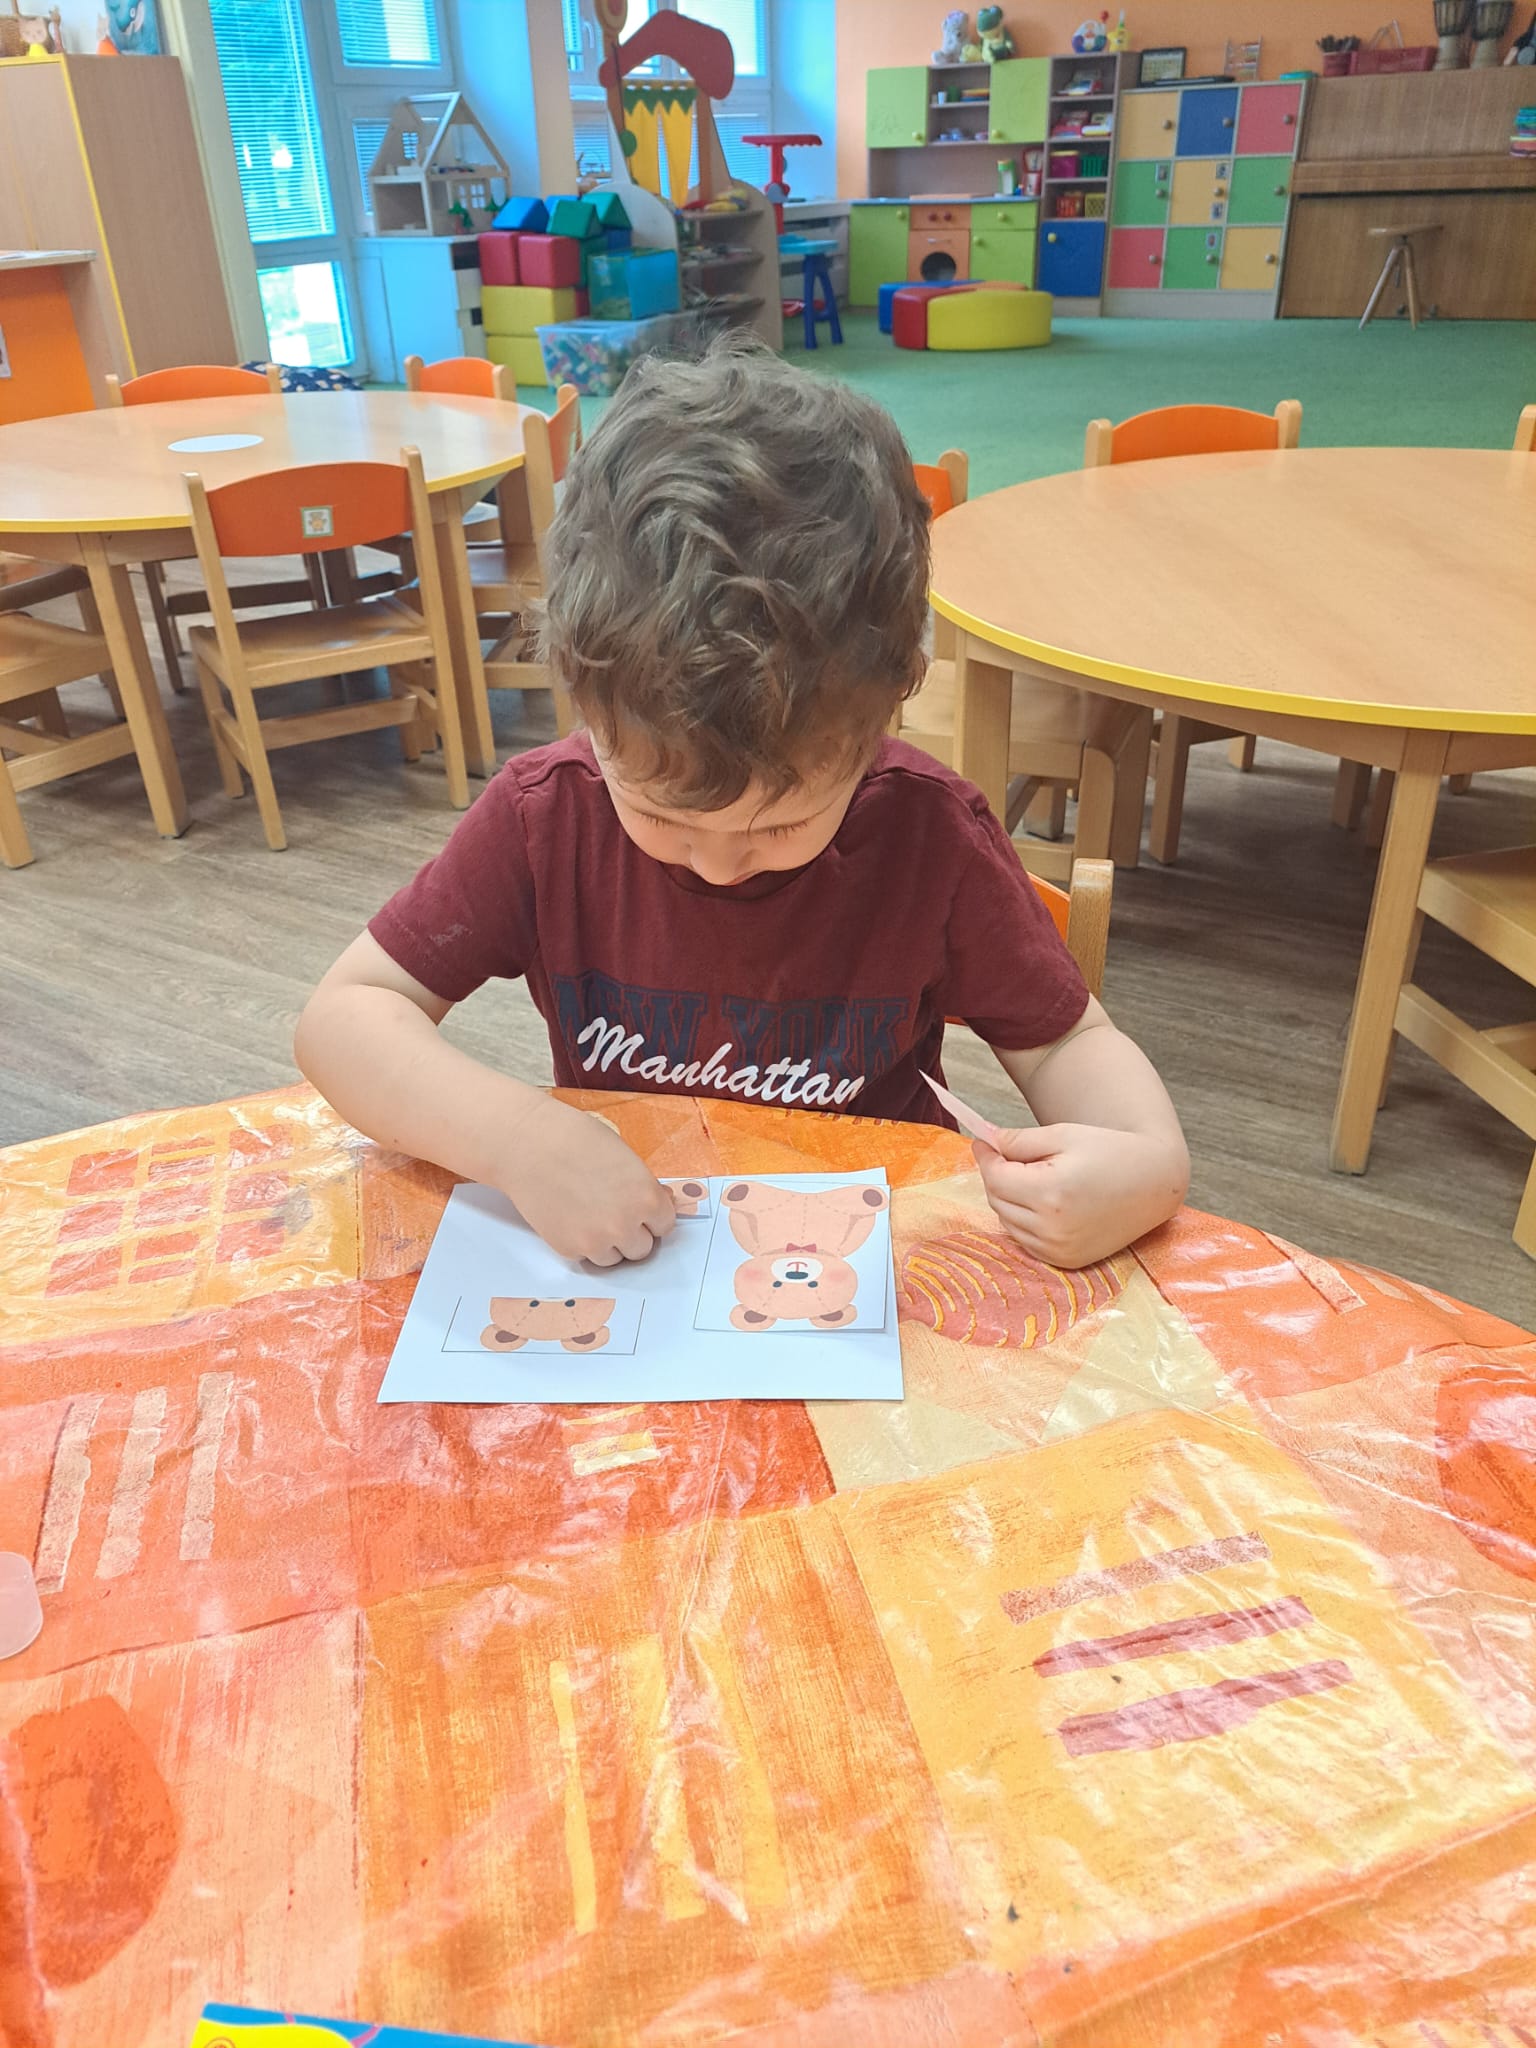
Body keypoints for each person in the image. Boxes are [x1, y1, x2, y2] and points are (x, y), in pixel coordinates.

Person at [295, 343, 1188, 1272]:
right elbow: (344, 1018)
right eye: (662, 816)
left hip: (861, 1260)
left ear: (883, 718)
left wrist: (1148, 1162)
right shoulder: (542, 819)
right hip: (638, 1257)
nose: (719, 863)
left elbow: (1065, 1044)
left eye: (780, 826)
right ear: (587, 710)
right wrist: (516, 1139)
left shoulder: (934, 840)